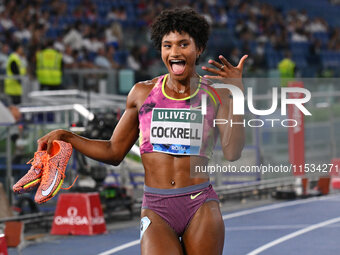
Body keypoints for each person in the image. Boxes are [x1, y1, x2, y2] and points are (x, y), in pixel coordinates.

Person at [37, 8, 247, 255]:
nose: (175, 52)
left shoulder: (217, 95)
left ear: (198, 48)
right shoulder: (142, 93)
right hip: (156, 208)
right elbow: (114, 151)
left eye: (183, 44)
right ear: (160, 50)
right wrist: (67, 136)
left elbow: (233, 152)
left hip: (199, 203)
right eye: (167, 45)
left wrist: (238, 94)